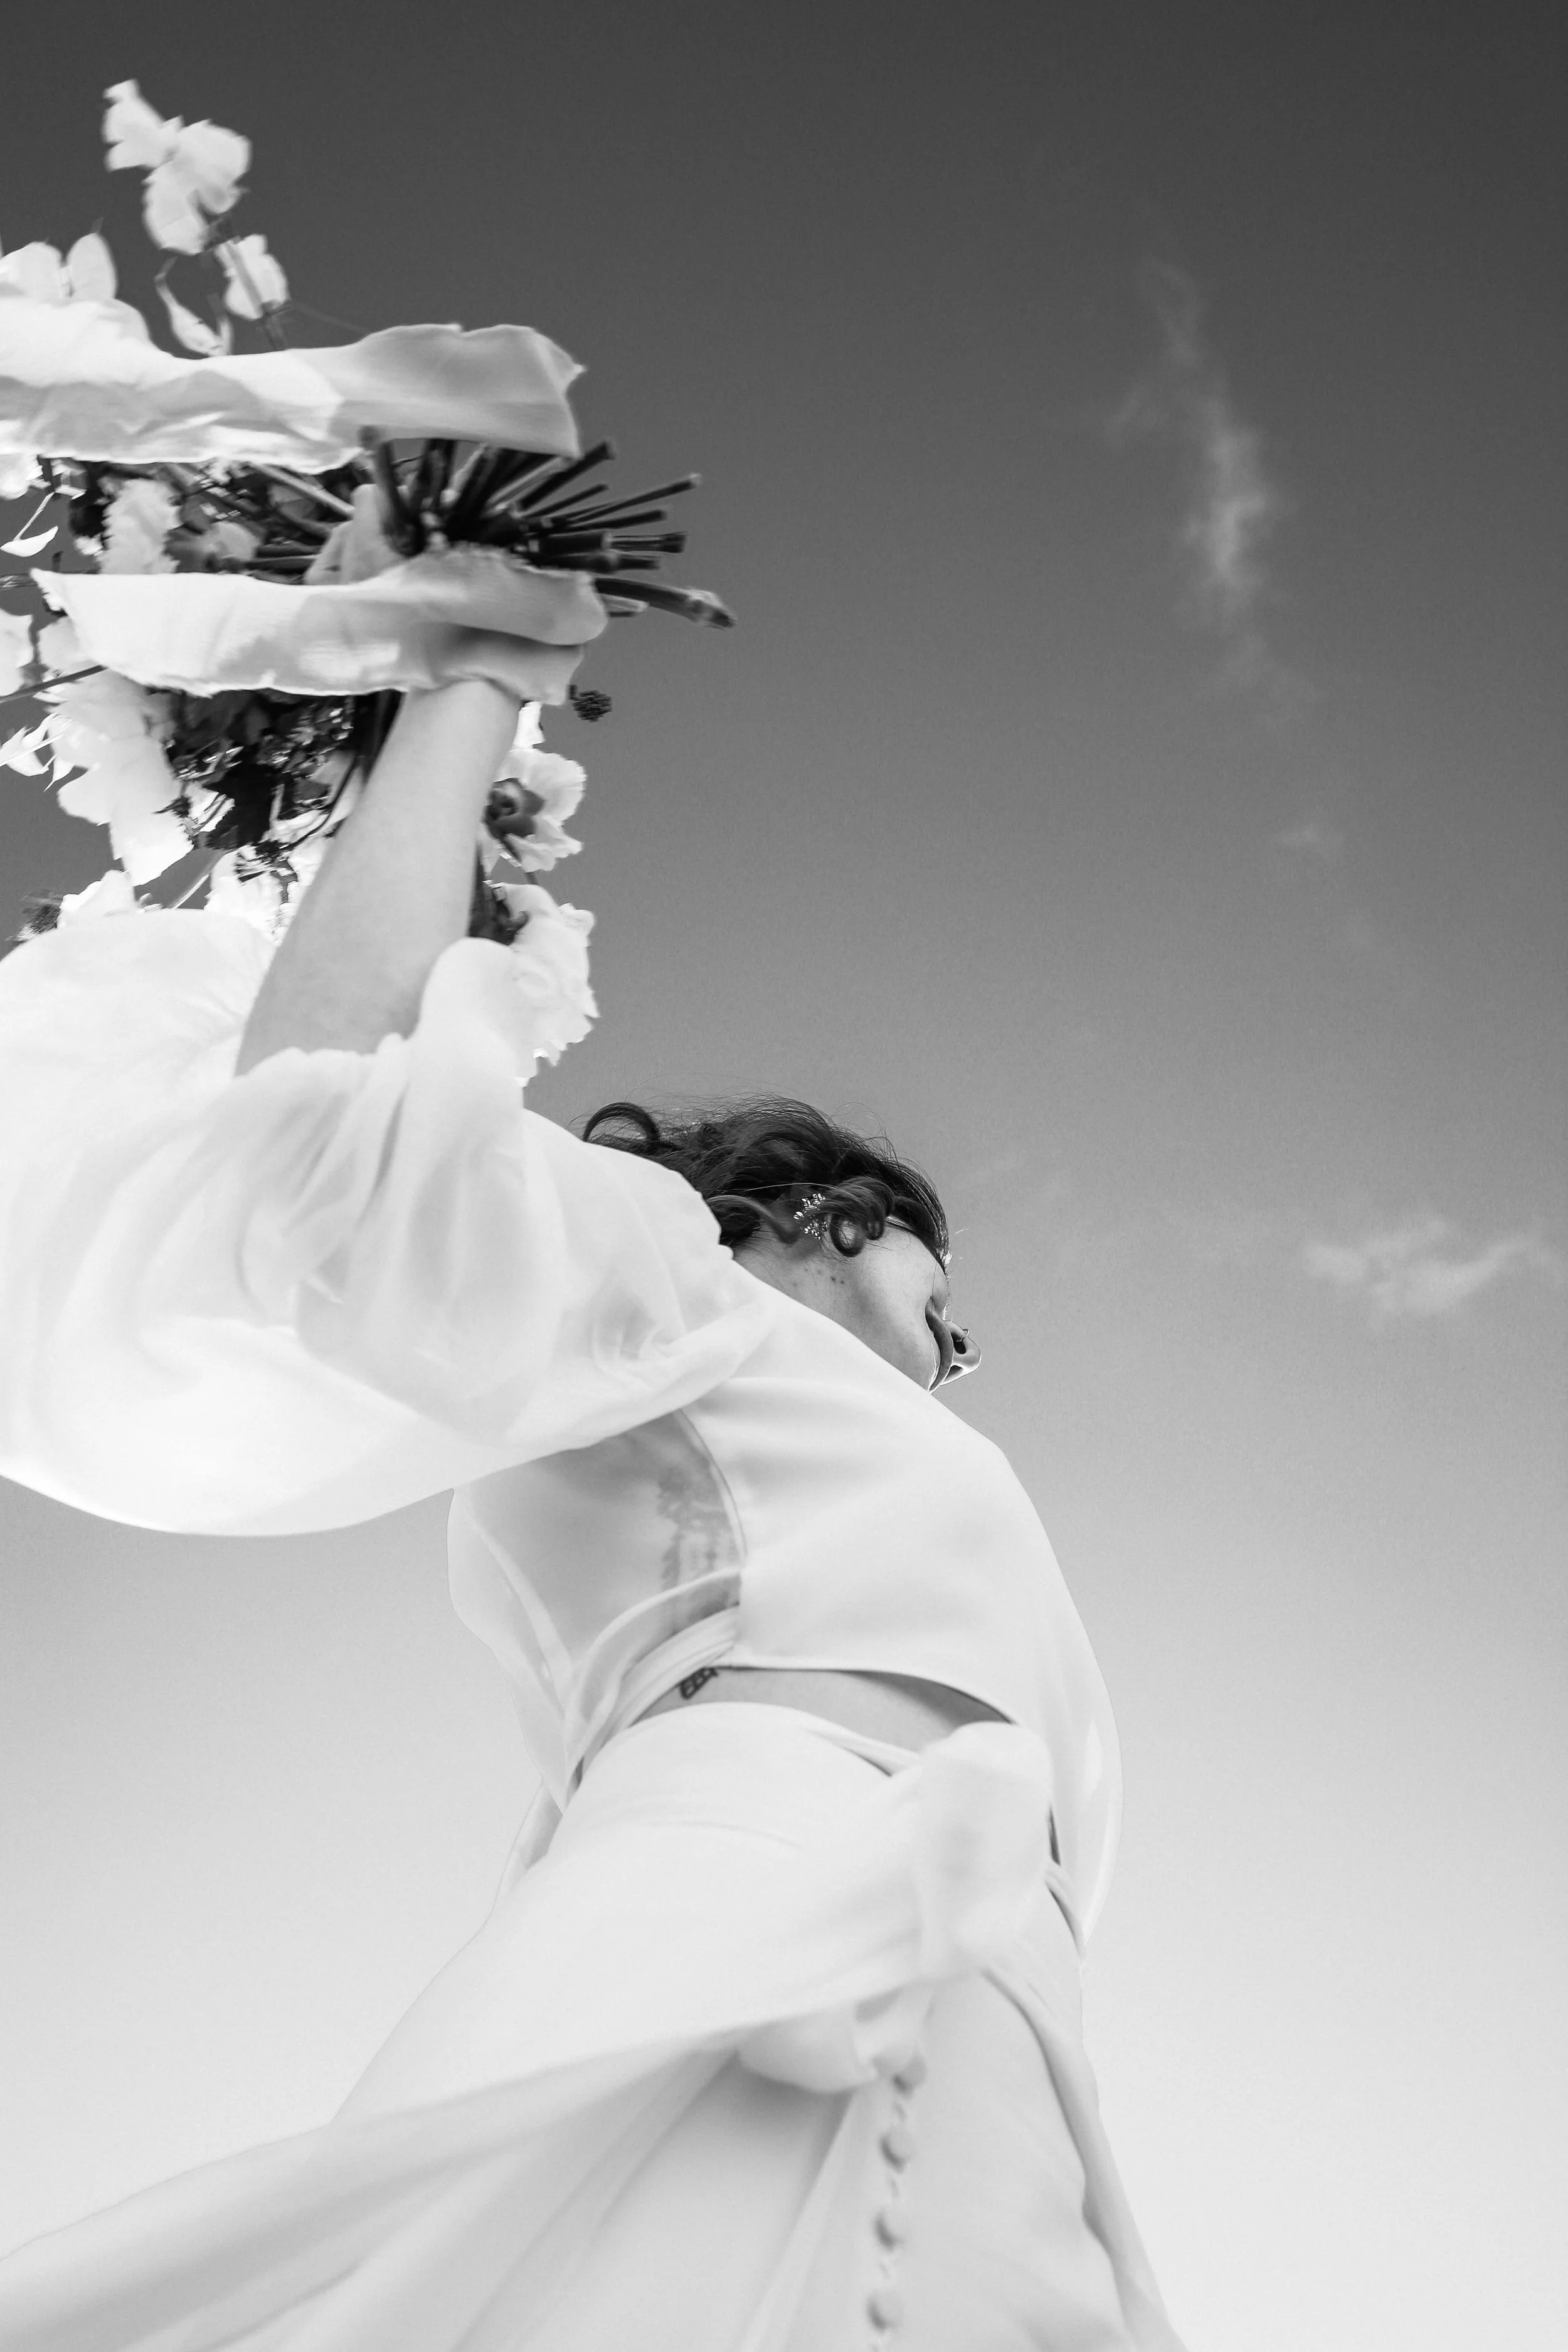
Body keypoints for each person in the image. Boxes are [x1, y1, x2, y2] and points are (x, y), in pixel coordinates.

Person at [0, 678, 1189, 2349]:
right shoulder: (684, 1294)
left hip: (989, 1970)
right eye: (947, 1282)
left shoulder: (768, 1370)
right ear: (834, 1217)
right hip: (751, 1897)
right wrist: (461, 693)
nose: (962, 1343)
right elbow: (327, 1144)